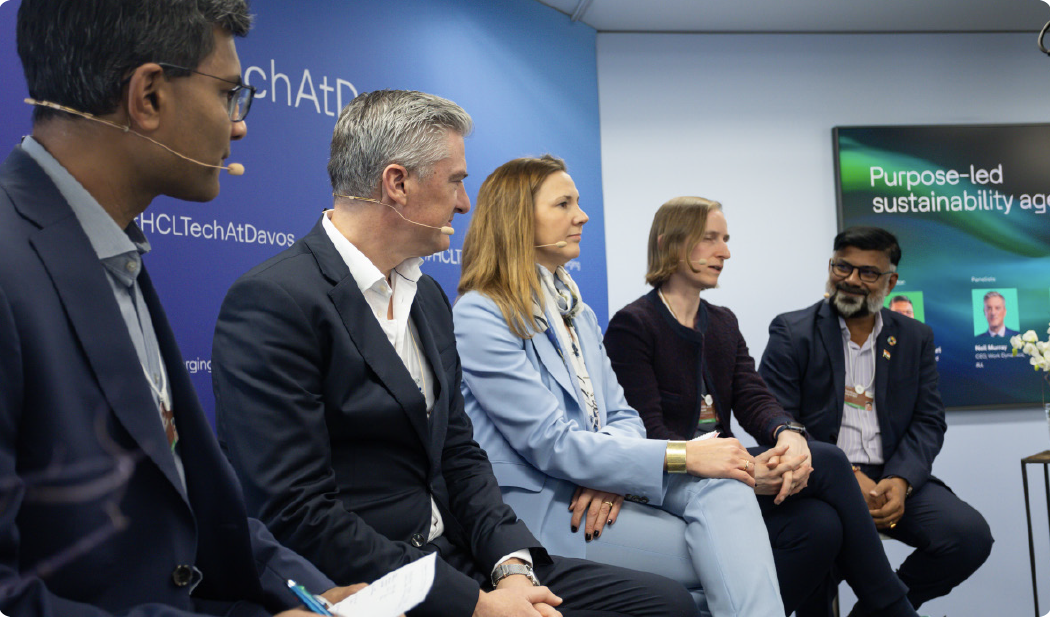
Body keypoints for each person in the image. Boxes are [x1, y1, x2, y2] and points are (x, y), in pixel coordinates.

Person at [212, 91, 699, 617]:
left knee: (664, 604)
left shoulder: (428, 296)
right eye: (456, 181)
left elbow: (461, 455)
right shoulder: (276, 300)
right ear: (397, 183)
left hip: (462, 557)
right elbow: (298, 513)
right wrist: (473, 605)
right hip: (366, 584)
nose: (465, 204)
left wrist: (511, 566)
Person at [0, 1, 363, 615]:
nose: (239, 125)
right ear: (148, 96)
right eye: (229, 95)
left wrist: (311, 591)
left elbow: (190, 497)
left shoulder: (109, 252)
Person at [453, 156, 785, 617]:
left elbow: (623, 416)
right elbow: (549, 443)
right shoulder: (480, 314)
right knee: (725, 563)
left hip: (594, 487)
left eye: (579, 202)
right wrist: (684, 454)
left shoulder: (578, 313)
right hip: (546, 509)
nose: (581, 215)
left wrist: (609, 474)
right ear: (516, 218)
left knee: (728, 489)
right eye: (564, 203)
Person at [603, 198, 919, 617]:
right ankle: (894, 607)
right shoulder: (634, 325)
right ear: (669, 243)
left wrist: (787, 433)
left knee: (821, 526)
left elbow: (754, 396)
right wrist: (748, 472)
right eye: (710, 239)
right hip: (673, 479)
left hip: (725, 470)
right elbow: (650, 435)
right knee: (830, 460)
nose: (725, 252)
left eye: (726, 240)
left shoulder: (723, 322)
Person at [759, 226, 993, 613]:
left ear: (891, 280)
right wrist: (846, 476)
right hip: (818, 478)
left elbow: (928, 421)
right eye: (842, 267)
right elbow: (776, 416)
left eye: (867, 272)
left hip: (892, 480)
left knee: (967, 537)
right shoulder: (792, 331)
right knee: (821, 540)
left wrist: (900, 481)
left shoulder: (914, 336)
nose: (851, 280)